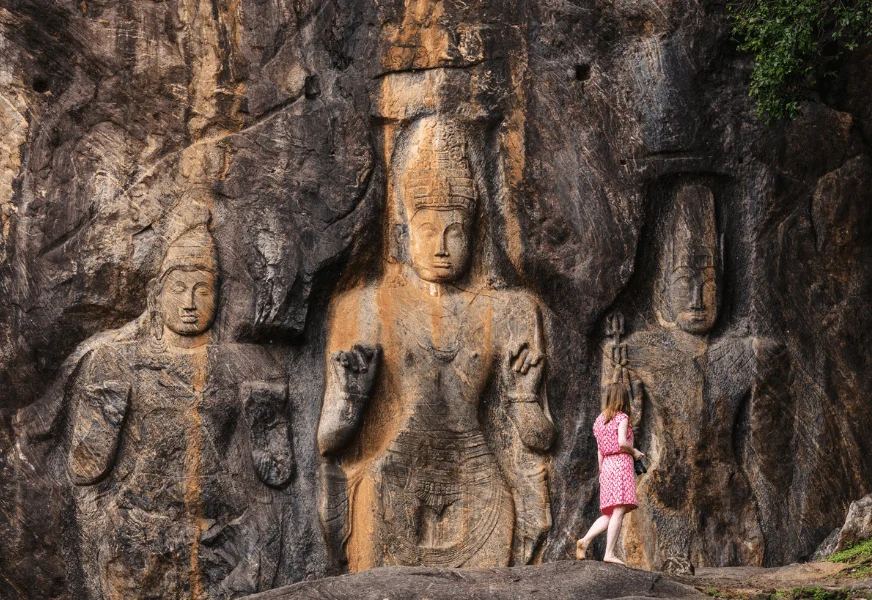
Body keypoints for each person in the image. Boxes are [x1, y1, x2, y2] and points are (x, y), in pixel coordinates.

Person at [576, 382, 643, 565]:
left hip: (606, 466)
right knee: (619, 509)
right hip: (620, 464)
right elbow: (622, 442)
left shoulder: (599, 420)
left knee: (611, 512)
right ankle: (609, 553)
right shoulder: (622, 417)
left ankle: (585, 540)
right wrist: (635, 452)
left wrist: (601, 471)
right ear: (623, 398)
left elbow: (599, 450)